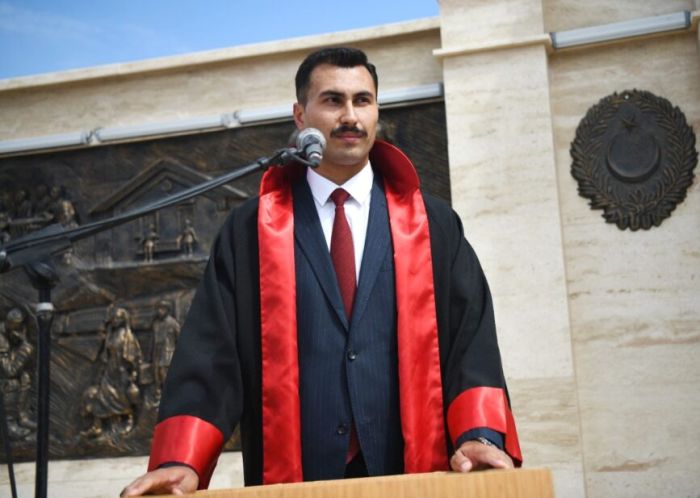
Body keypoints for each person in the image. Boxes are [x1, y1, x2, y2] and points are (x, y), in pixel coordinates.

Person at [122, 47, 521, 496]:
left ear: (376, 111)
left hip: (411, 473)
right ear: (300, 115)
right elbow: (211, 354)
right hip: (296, 478)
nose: (350, 116)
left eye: (362, 100)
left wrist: (480, 436)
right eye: (333, 100)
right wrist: (182, 460)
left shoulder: (432, 224)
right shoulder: (251, 230)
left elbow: (470, 341)